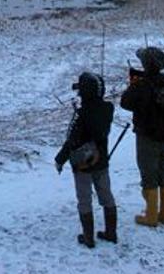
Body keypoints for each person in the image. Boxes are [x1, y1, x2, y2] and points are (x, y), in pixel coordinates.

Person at [54, 71, 118, 248]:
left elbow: (72, 141)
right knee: (106, 195)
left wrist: (60, 159)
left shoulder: (82, 115)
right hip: (102, 160)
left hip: (82, 163)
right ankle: (111, 232)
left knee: (84, 199)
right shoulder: (108, 109)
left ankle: (88, 238)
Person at [119, 47, 164, 228]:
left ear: (146, 64)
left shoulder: (141, 84)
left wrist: (133, 84)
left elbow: (125, 103)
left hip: (146, 134)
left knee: (148, 172)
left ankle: (151, 216)